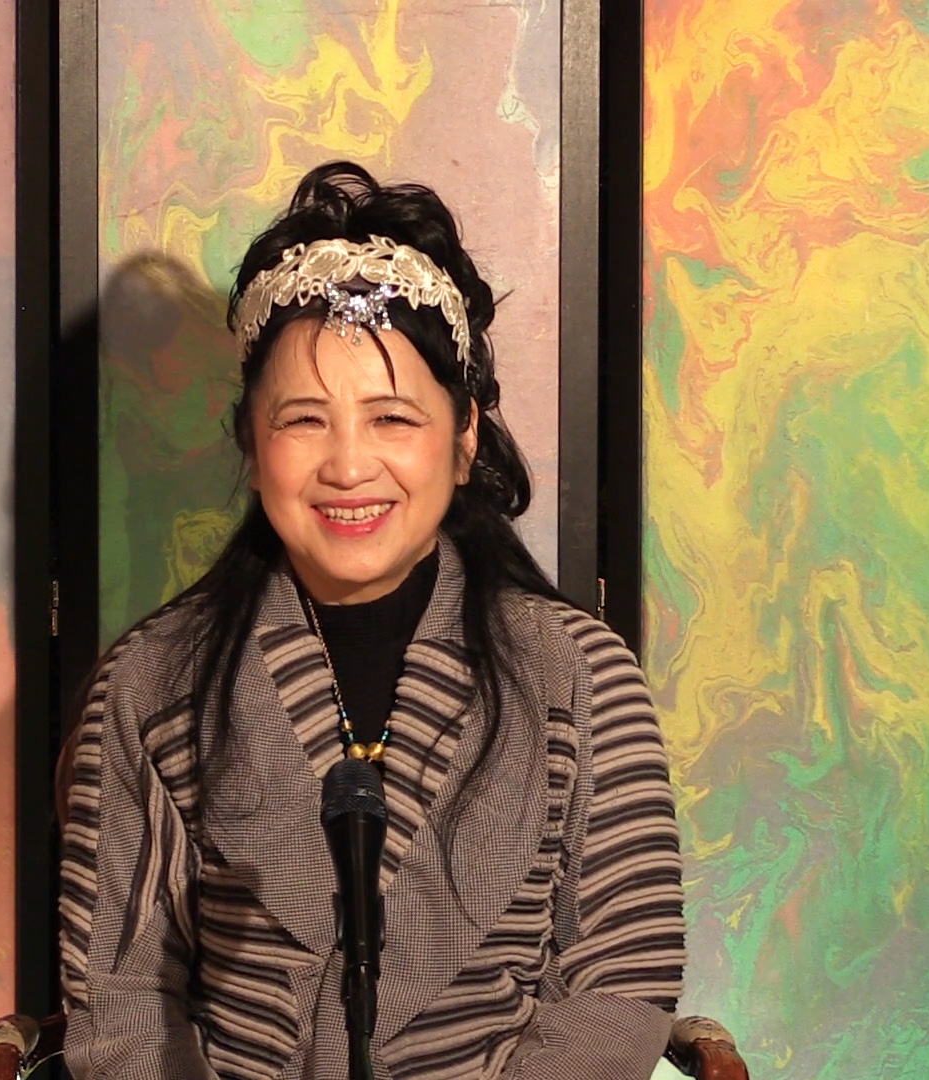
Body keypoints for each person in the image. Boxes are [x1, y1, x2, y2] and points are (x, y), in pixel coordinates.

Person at [58, 161, 688, 1080]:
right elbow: (119, 1002)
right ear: (250, 442)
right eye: (305, 420)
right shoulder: (152, 683)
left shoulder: (579, 674)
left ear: (464, 437)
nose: (350, 467)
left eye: (392, 419)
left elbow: (621, 980)